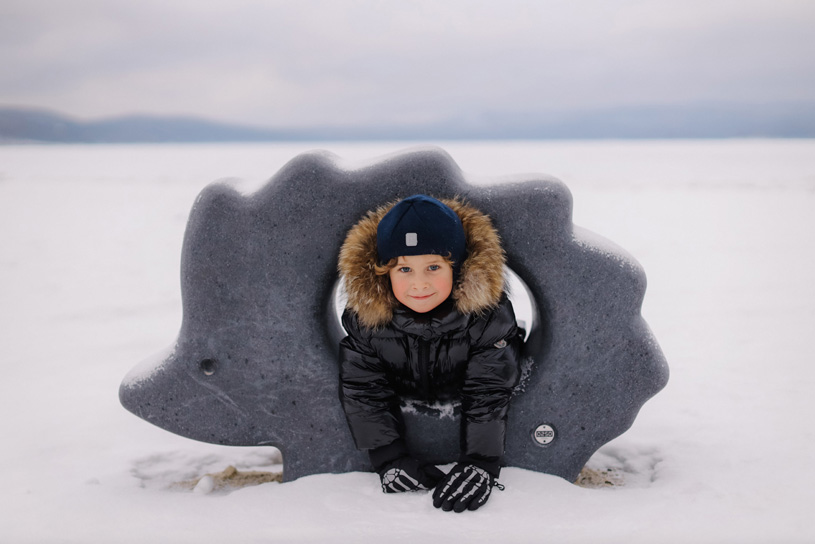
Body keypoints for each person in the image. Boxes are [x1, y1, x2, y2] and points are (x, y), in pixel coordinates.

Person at [337, 194, 523, 513]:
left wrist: (481, 463)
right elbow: (363, 390)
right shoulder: (367, 322)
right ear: (382, 274)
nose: (419, 284)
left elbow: (489, 389)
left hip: (464, 400)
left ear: (460, 268)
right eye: (405, 269)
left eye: (434, 266)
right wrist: (389, 458)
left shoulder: (486, 318)